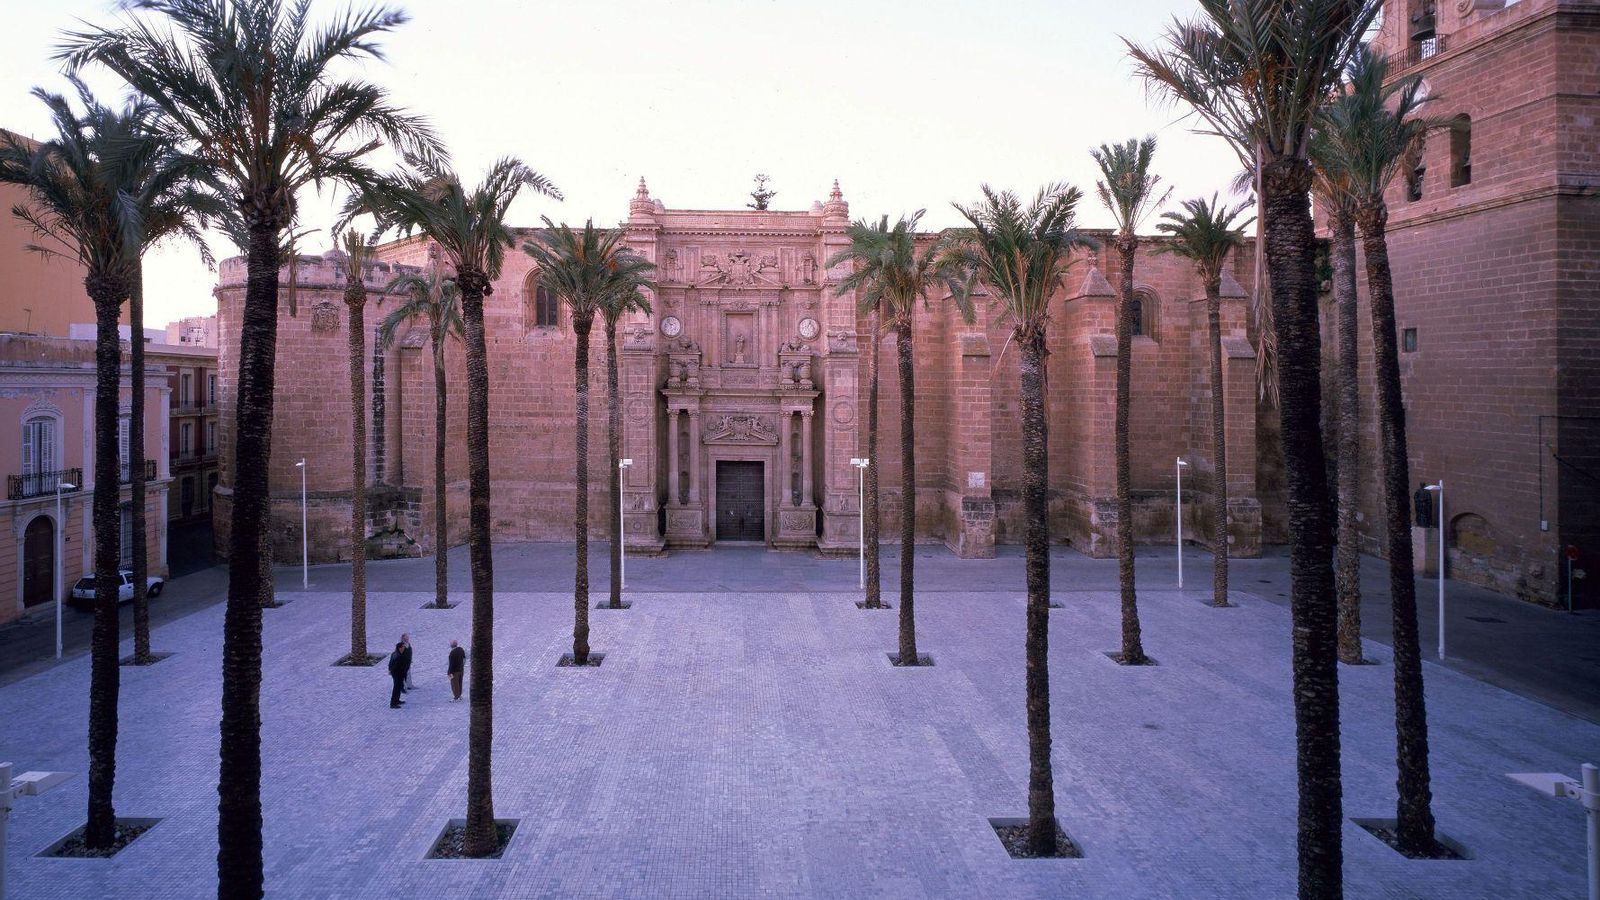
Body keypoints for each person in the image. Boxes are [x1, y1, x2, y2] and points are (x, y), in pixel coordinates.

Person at [387, 641, 406, 709]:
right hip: (397, 674)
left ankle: (397, 700)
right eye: (403, 646)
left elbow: (390, 664)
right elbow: (395, 666)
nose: (404, 648)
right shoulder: (398, 656)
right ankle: (393, 703)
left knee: (398, 687)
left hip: (397, 674)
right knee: (396, 688)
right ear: (400, 648)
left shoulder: (395, 654)